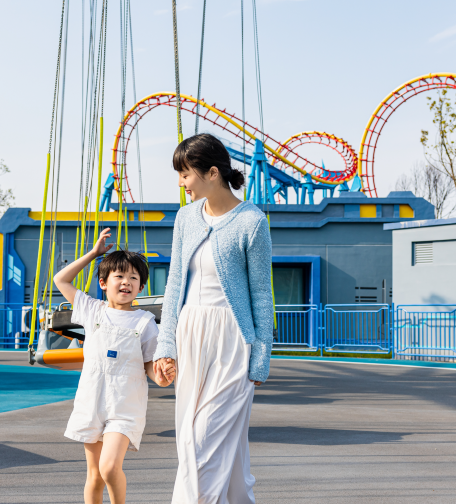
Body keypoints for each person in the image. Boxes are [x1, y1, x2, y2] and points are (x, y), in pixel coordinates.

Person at [154, 133, 274, 504]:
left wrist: (261, 358)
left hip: (232, 339)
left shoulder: (252, 221)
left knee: (202, 439)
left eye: (185, 174)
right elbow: (175, 282)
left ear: (211, 173)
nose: (180, 183)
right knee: (214, 447)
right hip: (190, 333)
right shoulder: (185, 218)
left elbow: (261, 294)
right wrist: (166, 344)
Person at [54, 228, 176, 504]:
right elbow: (61, 279)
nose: (126, 282)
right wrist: (94, 254)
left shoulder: (145, 322)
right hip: (92, 401)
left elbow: (150, 366)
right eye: (119, 276)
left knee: (110, 468)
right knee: (95, 476)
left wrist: (162, 377)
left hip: (125, 406)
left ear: (141, 287)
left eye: (133, 277)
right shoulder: (91, 310)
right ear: (103, 282)